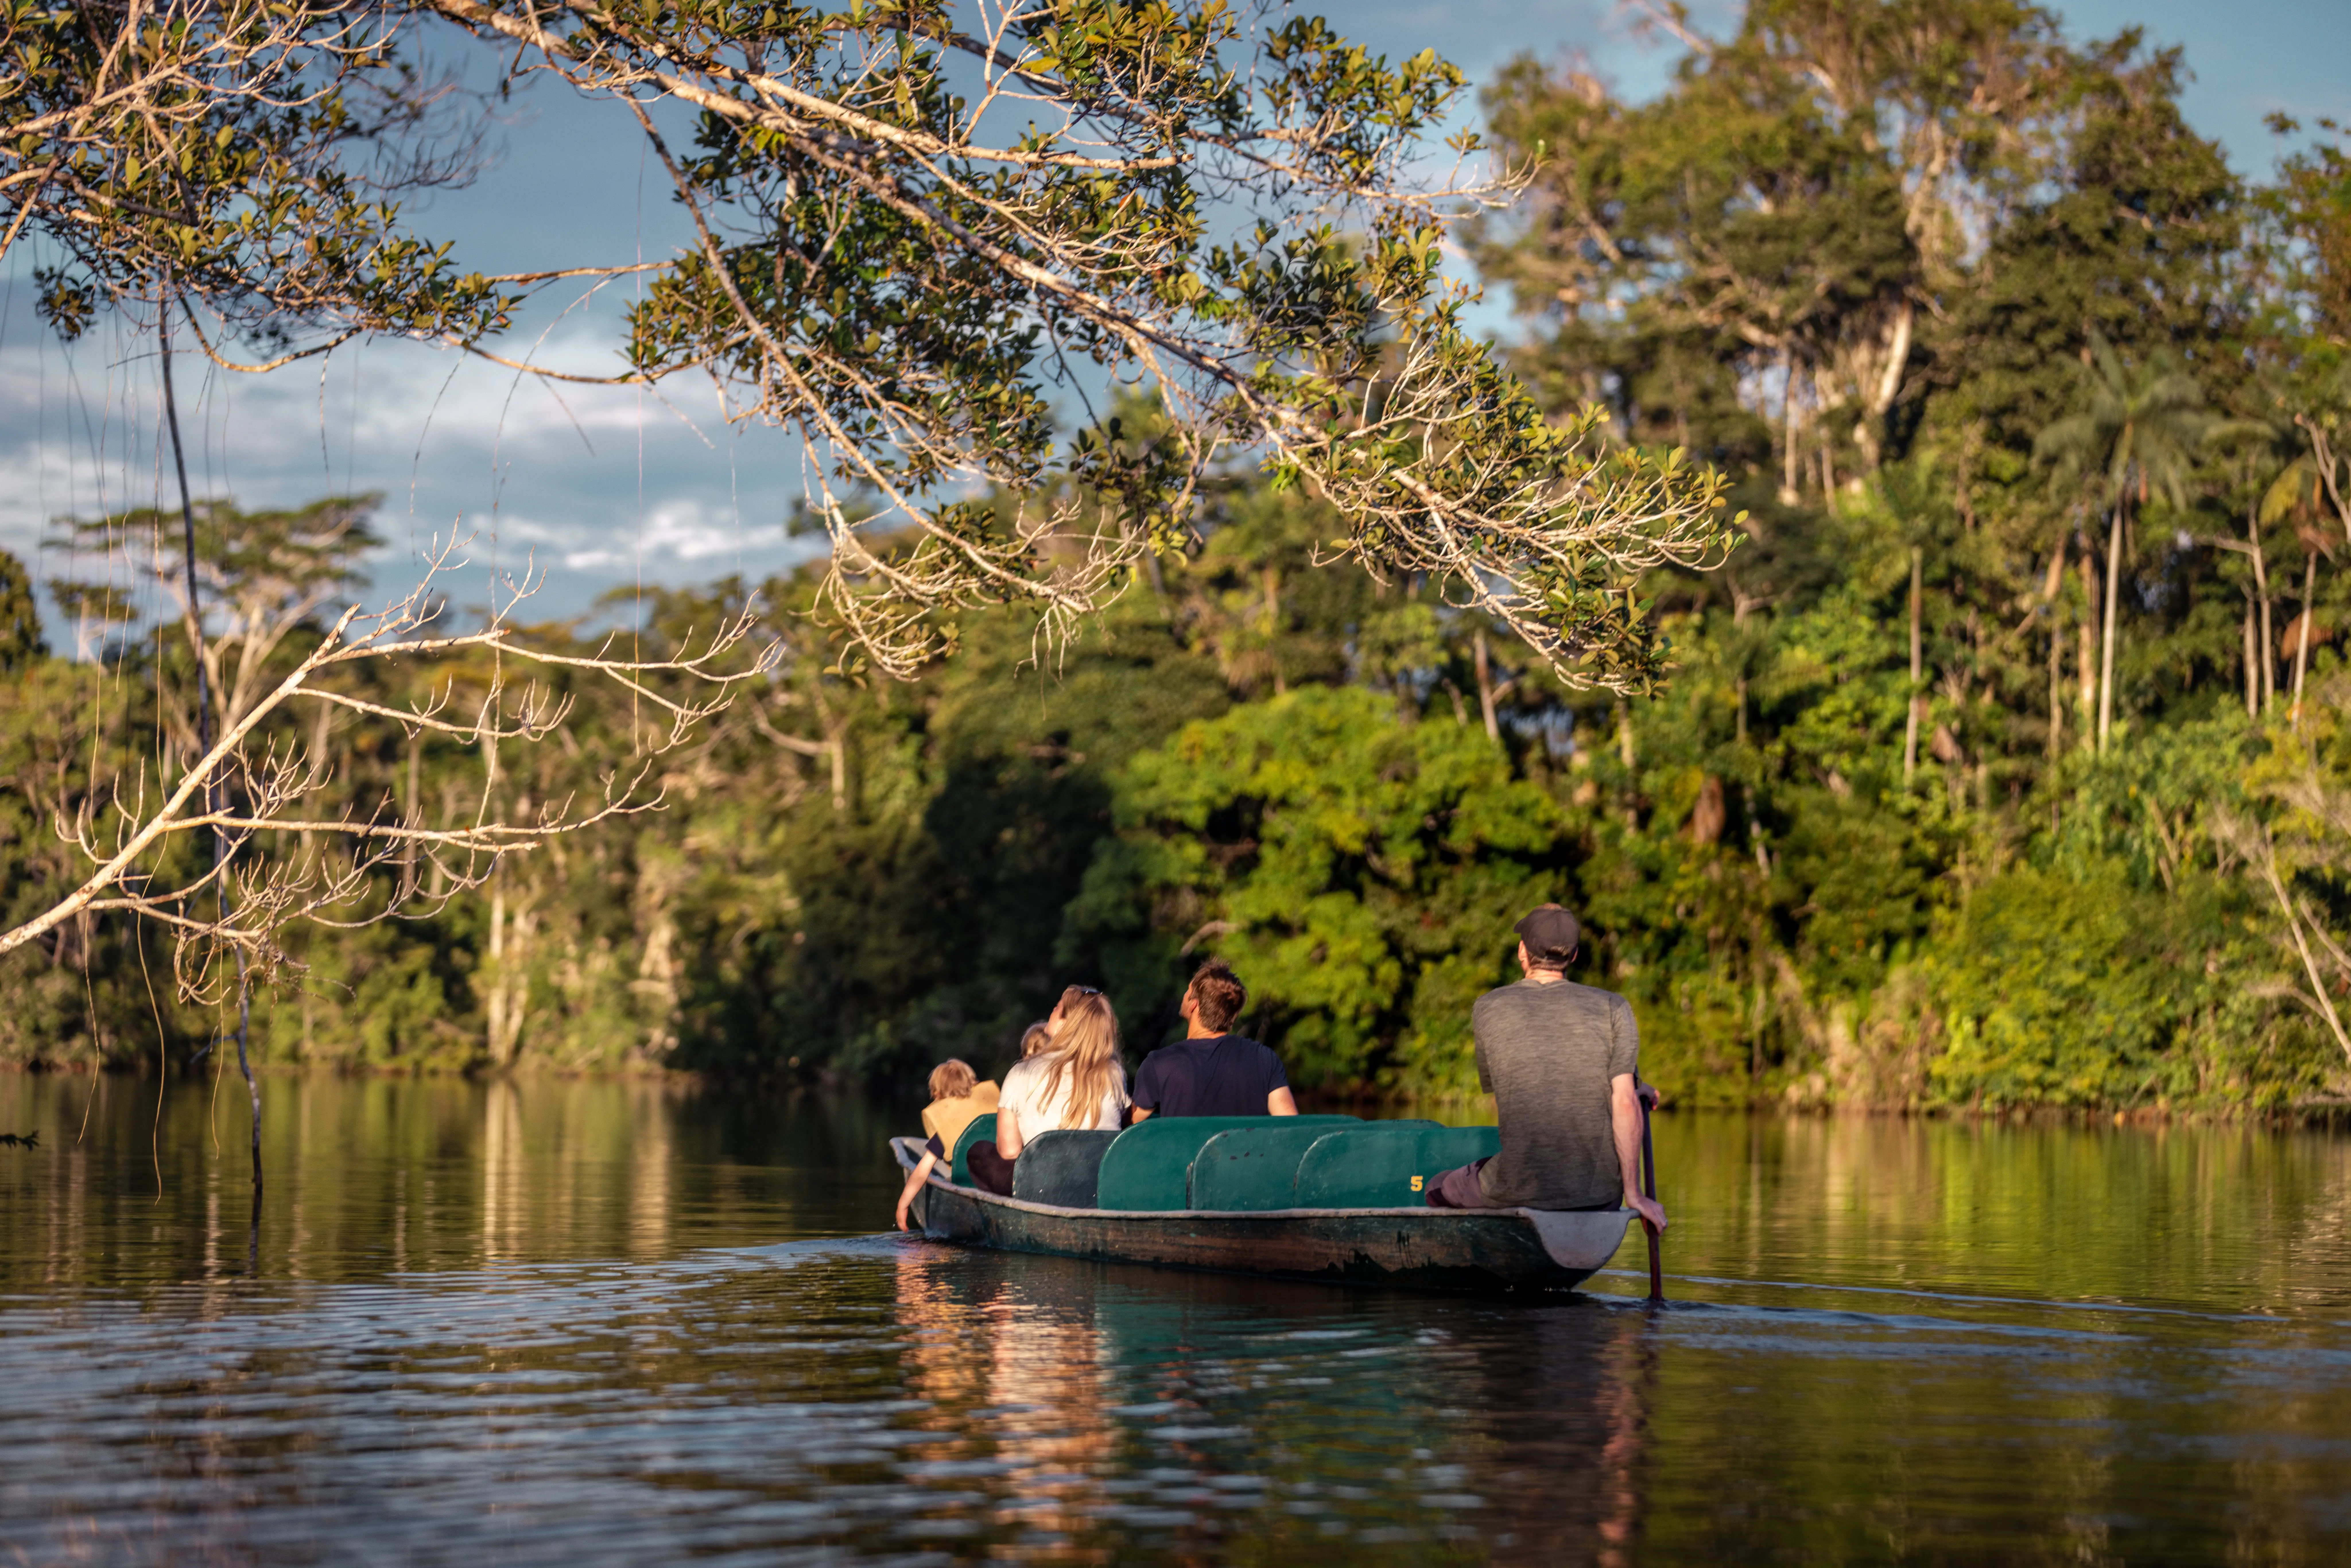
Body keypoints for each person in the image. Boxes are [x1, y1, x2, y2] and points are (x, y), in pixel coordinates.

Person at [1425, 905, 1667, 1231]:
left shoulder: (1488, 1006)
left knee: (1436, 1186)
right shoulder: (1615, 1007)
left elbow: (1524, 1081)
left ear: (1522, 952)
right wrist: (1634, 1195)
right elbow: (1623, 1101)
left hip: (1520, 1187)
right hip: (1600, 1196)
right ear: (1574, 956)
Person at [966, 988, 1130, 1196]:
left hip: (1043, 1187)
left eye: (1058, 1007)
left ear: (1065, 1023)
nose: (1052, 1010)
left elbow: (1010, 1152)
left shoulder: (1022, 1072)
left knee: (979, 1152)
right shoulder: (1115, 1073)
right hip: (1099, 1184)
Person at [1129, 959, 1298, 1121]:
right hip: (1247, 1152)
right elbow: (1290, 1124)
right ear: (1234, 1015)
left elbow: (1129, 1126)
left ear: (1193, 1005)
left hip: (1186, 1152)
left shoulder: (1160, 1063)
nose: (1184, 995)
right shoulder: (1264, 1059)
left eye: (1188, 991)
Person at [895, 1058, 1002, 1230]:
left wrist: (903, 1205)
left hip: (968, 1189)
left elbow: (922, 1171)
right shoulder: (999, 1115)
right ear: (974, 1082)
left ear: (938, 1095)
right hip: (1002, 1184)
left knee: (946, 1178)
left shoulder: (946, 1128)